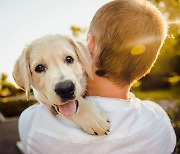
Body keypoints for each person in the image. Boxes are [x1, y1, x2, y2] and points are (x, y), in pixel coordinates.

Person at [18, 0, 176, 153]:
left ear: (90, 45)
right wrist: (80, 108)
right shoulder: (159, 120)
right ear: (146, 65)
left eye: (69, 59)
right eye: (40, 68)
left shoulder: (33, 124)